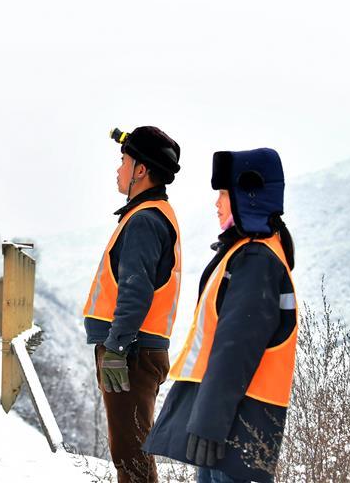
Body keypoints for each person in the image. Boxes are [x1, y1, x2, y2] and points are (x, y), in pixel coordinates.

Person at [143, 148, 298, 483]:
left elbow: (234, 350)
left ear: (248, 195)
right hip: (227, 421)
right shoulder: (247, 255)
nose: (217, 204)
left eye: (224, 194)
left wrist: (209, 424)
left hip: (234, 426)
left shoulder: (257, 262)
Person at [83, 126, 183, 483]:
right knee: (130, 454)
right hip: (135, 351)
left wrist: (116, 347)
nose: (118, 168)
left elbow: (135, 290)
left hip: (131, 353)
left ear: (140, 170)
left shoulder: (144, 221)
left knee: (132, 457)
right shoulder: (149, 215)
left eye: (123, 160)